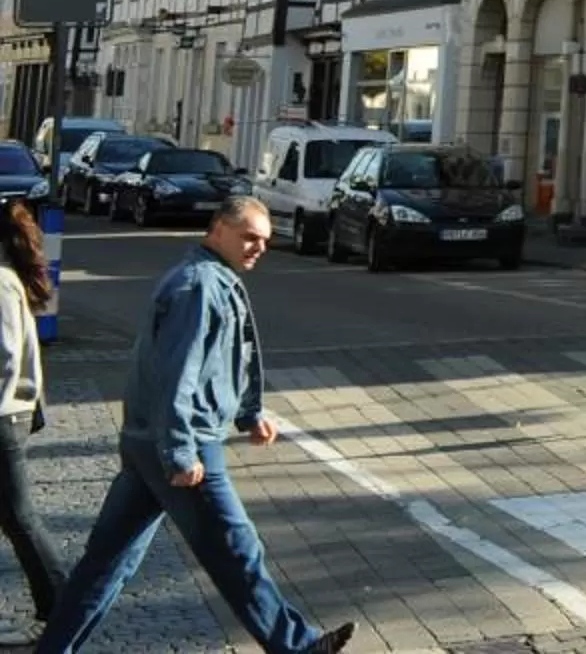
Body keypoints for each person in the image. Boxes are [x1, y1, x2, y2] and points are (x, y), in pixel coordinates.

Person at [35, 195, 352, 653]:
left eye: (264, 241)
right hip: (183, 444)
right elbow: (178, 376)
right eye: (249, 237)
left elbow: (224, 360)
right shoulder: (199, 286)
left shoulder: (211, 277)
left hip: (147, 441)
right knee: (235, 548)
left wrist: (248, 413)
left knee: (106, 563)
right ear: (217, 228)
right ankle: (298, 647)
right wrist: (181, 452)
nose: (258, 248)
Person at [0, 201, 66, 627]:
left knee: (20, 518)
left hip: (4, 416)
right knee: (15, 517)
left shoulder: (1, 283)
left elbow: (5, 359)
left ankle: (62, 605)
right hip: (7, 414)